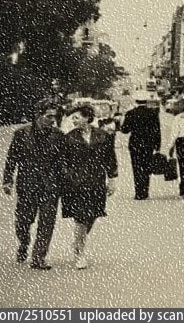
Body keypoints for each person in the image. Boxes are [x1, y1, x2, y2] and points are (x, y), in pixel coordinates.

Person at [2, 101, 63, 270]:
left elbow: (63, 162)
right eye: (49, 116)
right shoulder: (21, 134)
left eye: (54, 116)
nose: (52, 119)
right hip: (27, 185)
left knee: (47, 223)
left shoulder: (58, 135)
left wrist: (65, 183)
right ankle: (24, 243)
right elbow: (11, 158)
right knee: (22, 222)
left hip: (50, 186)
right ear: (38, 115)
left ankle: (38, 258)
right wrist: (7, 180)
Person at [56, 103, 118, 270]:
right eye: (73, 118)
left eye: (77, 117)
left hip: (97, 182)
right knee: (81, 218)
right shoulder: (69, 138)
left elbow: (110, 159)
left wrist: (112, 179)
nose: (74, 121)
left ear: (87, 118)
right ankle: (79, 253)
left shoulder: (103, 136)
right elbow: (63, 162)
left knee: (93, 215)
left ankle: (78, 240)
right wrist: (68, 177)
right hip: (76, 184)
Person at [120, 93, 162, 200]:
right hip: (149, 144)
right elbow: (157, 131)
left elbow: (125, 130)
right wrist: (157, 146)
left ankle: (138, 192)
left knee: (136, 167)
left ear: (136, 101)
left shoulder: (130, 113)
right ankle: (145, 191)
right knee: (146, 167)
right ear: (146, 101)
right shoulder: (153, 113)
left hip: (135, 144)